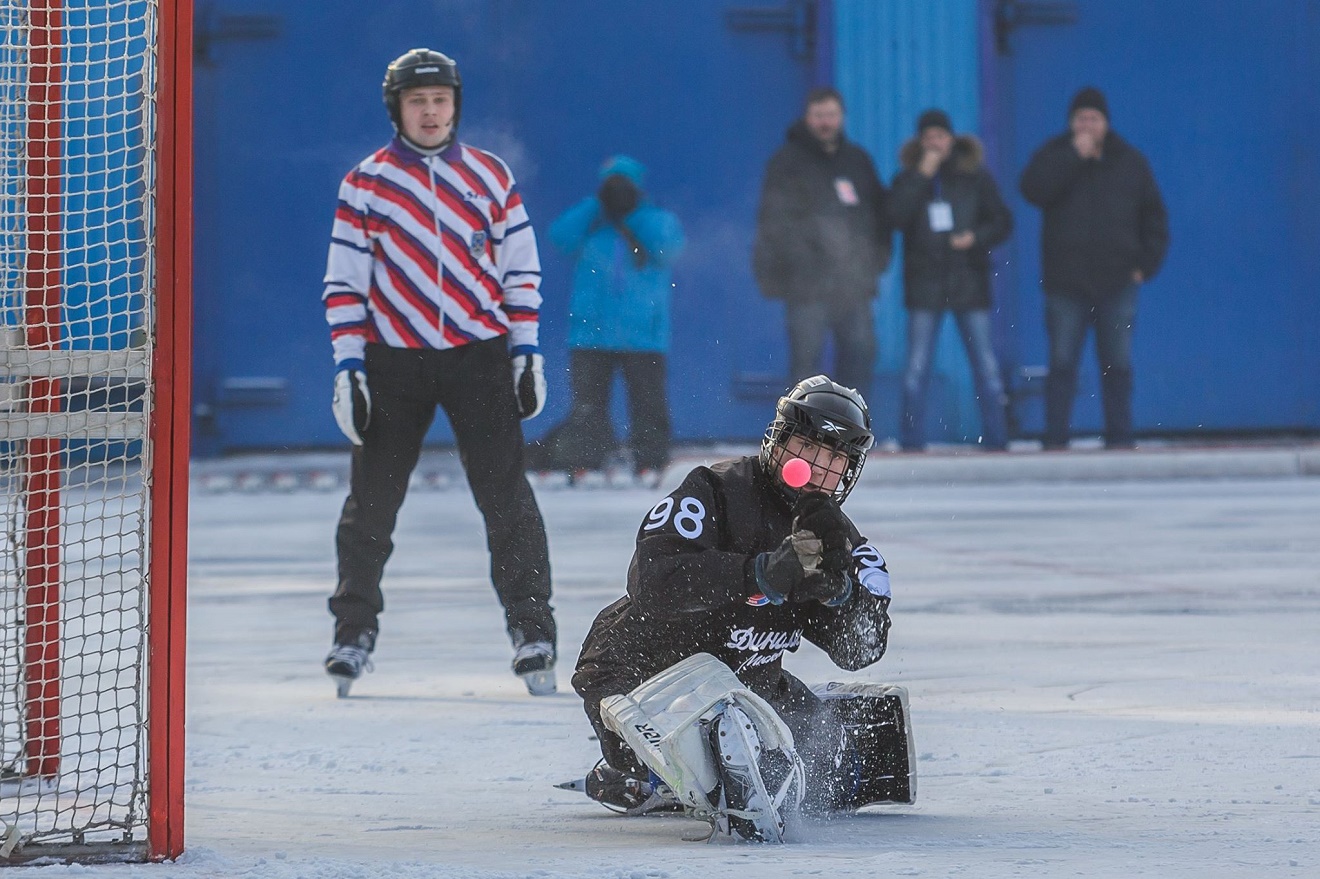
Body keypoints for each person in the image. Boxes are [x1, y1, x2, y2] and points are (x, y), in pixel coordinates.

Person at [567, 375, 913, 840]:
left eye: (834, 458)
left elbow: (864, 648)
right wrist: (759, 574)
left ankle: (684, 777)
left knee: (841, 770)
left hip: (751, 682)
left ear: (849, 471)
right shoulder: (714, 490)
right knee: (712, 743)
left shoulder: (842, 541)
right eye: (805, 446)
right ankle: (644, 771)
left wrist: (839, 594)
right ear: (777, 441)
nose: (816, 466)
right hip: (644, 672)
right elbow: (651, 579)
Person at [320, 48, 557, 698]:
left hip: (479, 357)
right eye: (417, 101)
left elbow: (521, 267)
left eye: (440, 100)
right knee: (371, 502)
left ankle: (533, 630)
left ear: (456, 104)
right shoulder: (365, 183)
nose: (430, 112)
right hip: (394, 360)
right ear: (396, 107)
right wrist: (349, 366)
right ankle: (352, 633)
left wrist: (525, 350)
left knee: (506, 498)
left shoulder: (489, 176)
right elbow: (344, 285)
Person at [1019, 86, 1169, 450]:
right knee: (1062, 364)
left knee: (1116, 365)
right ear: (1071, 124)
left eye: (1094, 119)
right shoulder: (1055, 154)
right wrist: (1073, 157)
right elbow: (1032, 190)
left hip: (1117, 282)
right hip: (1065, 283)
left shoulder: (1130, 161)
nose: (1087, 125)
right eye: (1081, 119)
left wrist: (1144, 266)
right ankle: (1056, 440)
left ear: (1106, 123)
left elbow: (1155, 218)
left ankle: (1120, 438)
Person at [532, 155, 685, 485]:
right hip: (590, 333)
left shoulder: (656, 220)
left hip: (643, 334)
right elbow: (559, 235)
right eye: (611, 186)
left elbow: (669, 248)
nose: (617, 192)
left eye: (624, 185)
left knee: (648, 404)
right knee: (587, 405)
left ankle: (651, 460)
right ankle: (584, 460)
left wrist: (633, 213)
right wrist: (596, 206)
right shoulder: (592, 224)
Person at [753, 87, 892, 396]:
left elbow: (879, 214)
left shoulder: (857, 160)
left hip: (852, 282)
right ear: (807, 118)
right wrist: (798, 259)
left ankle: (848, 432)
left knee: (861, 352)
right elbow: (773, 221)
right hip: (806, 283)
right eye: (818, 116)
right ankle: (803, 435)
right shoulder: (786, 162)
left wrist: (876, 260)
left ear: (841, 117)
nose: (825, 122)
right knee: (806, 366)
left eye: (831, 115)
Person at [889, 109, 1014, 452]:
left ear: (951, 139)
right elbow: (894, 217)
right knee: (916, 368)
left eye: (940, 137)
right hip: (924, 286)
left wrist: (975, 237)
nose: (935, 144)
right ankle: (911, 442)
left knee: (986, 367)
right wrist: (919, 177)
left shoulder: (975, 177)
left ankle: (997, 440)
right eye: (928, 139)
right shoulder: (908, 178)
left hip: (969, 282)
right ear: (920, 142)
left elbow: (1002, 221)